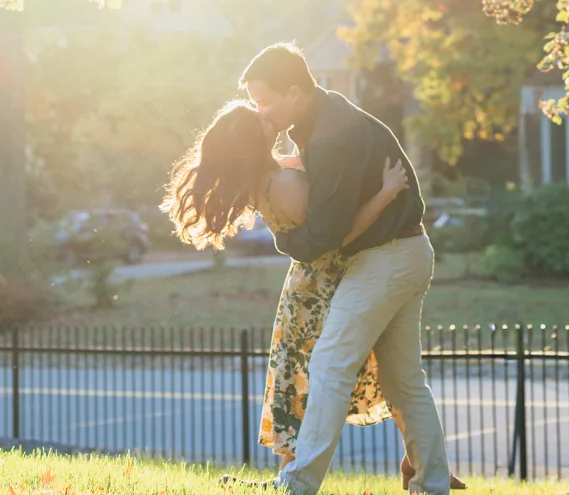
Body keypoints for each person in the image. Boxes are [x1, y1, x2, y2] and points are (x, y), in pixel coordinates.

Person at [241, 41, 452, 495]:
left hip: (387, 257)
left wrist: (285, 240)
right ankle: (433, 494)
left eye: (266, 101)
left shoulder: (330, 137)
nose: (260, 111)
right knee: (403, 380)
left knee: (331, 363)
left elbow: (324, 238)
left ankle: (298, 485)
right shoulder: (322, 119)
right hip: (407, 252)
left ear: (295, 91)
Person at [163, 99, 406, 461]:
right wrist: (386, 194)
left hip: (308, 287)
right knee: (360, 371)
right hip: (324, 287)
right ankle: (412, 461)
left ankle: (413, 461)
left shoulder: (269, 175)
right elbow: (338, 235)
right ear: (256, 140)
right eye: (258, 119)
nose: (265, 114)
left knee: (307, 378)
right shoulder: (284, 183)